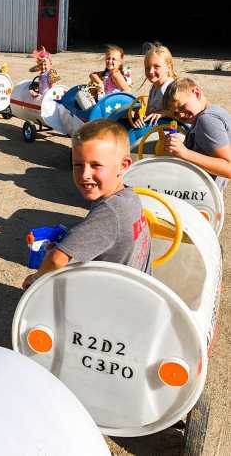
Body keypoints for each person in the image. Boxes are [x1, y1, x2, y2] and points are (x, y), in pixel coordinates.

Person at [22, 119, 152, 290]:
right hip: (137, 290)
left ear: (123, 165)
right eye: (78, 165)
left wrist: (36, 277)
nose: (85, 175)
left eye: (96, 165)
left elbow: (57, 259)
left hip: (114, 302)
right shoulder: (130, 196)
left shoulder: (110, 212)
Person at [162, 78, 231, 191]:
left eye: (182, 107)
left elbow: (228, 168)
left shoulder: (207, 120)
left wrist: (184, 152)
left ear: (197, 93)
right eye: (175, 113)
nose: (181, 115)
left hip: (205, 196)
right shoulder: (211, 113)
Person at [132, 44, 176, 129]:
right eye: (147, 68)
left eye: (156, 66)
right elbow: (148, 114)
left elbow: (183, 117)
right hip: (155, 130)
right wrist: (142, 120)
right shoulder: (154, 87)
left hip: (171, 134)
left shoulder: (171, 89)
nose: (151, 71)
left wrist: (164, 113)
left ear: (168, 67)